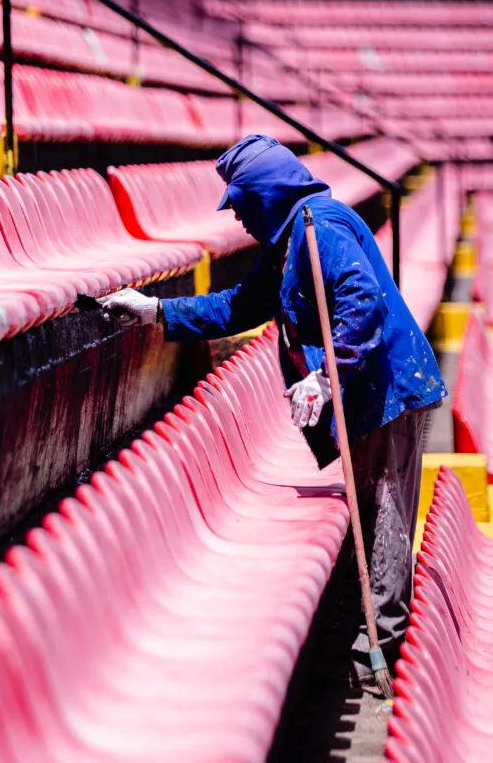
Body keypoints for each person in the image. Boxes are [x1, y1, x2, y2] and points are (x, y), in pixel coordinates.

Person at [99, 134, 447, 685]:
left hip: (389, 390)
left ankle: (379, 648)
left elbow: (363, 303)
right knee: (375, 508)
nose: (236, 216)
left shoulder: (319, 229)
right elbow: (238, 305)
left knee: (385, 516)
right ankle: (375, 638)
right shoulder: (290, 238)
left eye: (239, 202)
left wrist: (325, 378)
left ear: (264, 194)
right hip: (369, 391)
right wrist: (155, 311)